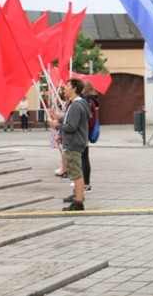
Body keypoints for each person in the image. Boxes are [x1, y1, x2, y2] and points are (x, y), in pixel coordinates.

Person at [49, 78, 91, 211]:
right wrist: (58, 117)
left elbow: (71, 126)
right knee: (76, 173)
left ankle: (78, 203)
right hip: (77, 142)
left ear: (74, 89)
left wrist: (57, 126)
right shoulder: (78, 104)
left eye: (67, 86)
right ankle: (78, 199)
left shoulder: (76, 105)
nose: (64, 88)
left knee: (76, 174)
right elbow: (71, 119)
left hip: (73, 143)